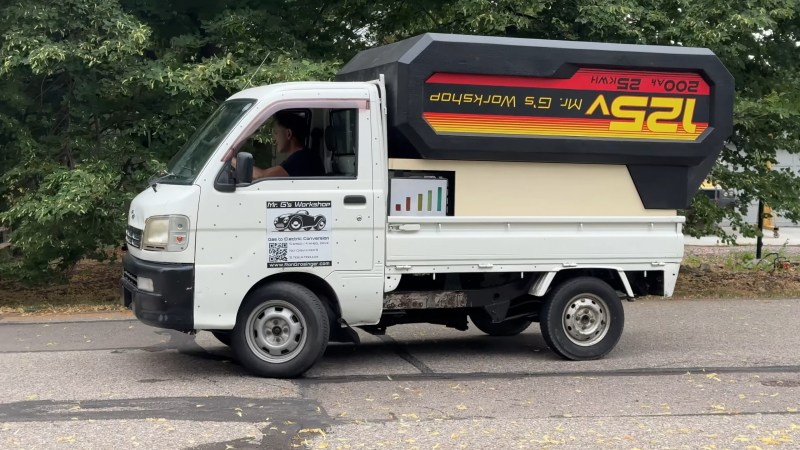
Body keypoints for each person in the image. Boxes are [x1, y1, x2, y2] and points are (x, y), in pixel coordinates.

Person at [233, 111, 325, 179]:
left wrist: (229, 159)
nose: (274, 139)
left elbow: (262, 176)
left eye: (276, 133)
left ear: (288, 134)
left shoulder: (301, 159)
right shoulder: (304, 156)